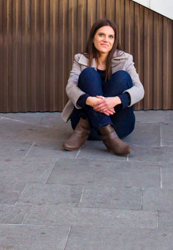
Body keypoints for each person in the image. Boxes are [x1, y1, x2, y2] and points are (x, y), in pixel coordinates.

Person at [61, 19, 144, 156]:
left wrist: (115, 100)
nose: (106, 40)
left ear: (114, 41)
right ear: (93, 37)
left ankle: (90, 125)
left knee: (122, 77)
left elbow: (140, 90)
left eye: (110, 36)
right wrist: (90, 101)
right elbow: (70, 87)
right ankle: (108, 136)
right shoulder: (80, 59)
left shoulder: (125, 59)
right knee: (88, 74)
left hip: (119, 126)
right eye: (101, 35)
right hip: (89, 132)